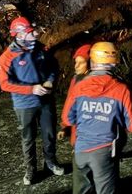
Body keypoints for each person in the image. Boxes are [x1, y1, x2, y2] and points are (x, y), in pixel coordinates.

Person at [62, 41, 132, 194]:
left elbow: (67, 119)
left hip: (80, 151)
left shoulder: (79, 86)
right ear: (114, 63)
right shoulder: (121, 90)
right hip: (103, 153)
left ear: (92, 61)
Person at [0, 16, 65, 186]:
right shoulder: (7, 57)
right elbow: (4, 84)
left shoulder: (41, 49)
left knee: (49, 134)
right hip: (24, 104)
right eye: (30, 32)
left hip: (45, 101)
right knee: (28, 138)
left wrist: (50, 80)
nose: (35, 34)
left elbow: (53, 67)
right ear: (19, 35)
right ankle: (31, 169)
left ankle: (50, 163)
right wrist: (31, 89)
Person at [58, 43, 92, 191]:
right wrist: (64, 127)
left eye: (81, 62)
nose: (76, 66)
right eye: (75, 62)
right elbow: (69, 105)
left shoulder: (93, 84)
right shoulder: (75, 80)